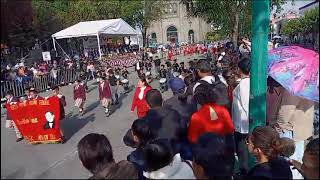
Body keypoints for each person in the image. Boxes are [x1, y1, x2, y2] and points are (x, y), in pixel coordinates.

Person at [267, 76, 315, 179]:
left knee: (289, 162)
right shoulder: (309, 83)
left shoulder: (295, 85)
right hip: (301, 129)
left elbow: (286, 110)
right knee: (298, 162)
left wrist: (278, 127)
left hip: (289, 129)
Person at [232, 57, 251, 176]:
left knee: (242, 149)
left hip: (242, 124)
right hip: (243, 123)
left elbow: (245, 104)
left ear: (240, 69)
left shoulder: (244, 84)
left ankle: (244, 171)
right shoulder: (248, 82)